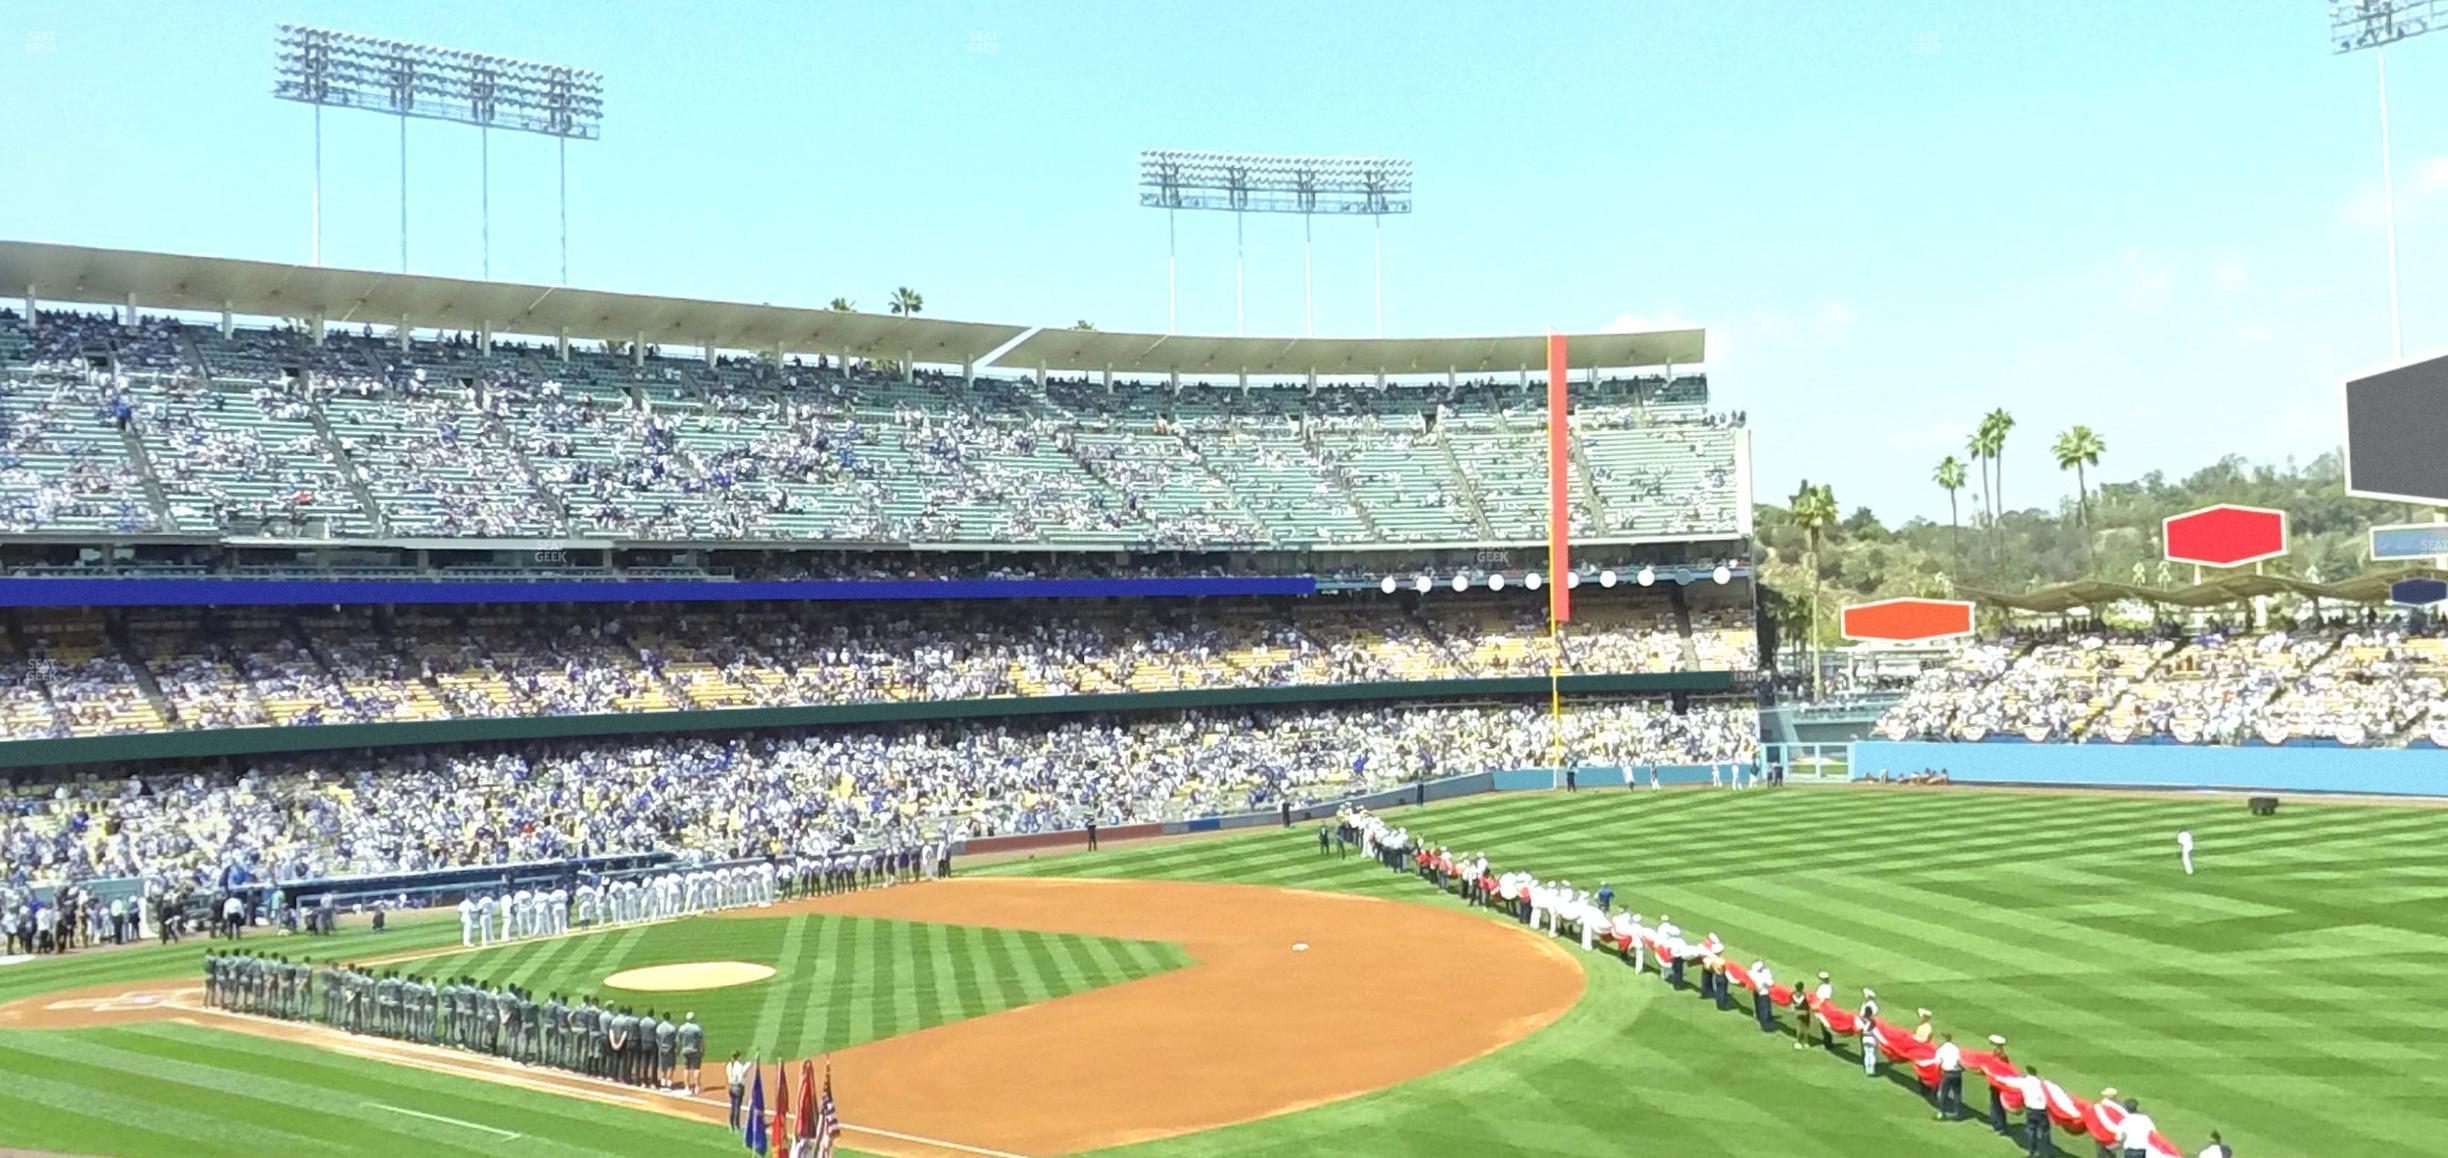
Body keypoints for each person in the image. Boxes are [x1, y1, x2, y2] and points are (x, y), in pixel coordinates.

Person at [2020, 1066, 2055, 1158]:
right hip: (2041, 1112)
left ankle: (2032, 1152)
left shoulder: (2024, 1082)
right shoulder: (2041, 1084)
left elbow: (2010, 1082)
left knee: (2031, 1132)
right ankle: (2048, 1155)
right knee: (2045, 1134)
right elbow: (2047, 1097)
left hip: (2030, 1111)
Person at [1933, 1032, 1964, 1119]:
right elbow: (1959, 1061)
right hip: (1957, 1073)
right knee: (1957, 1093)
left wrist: (1938, 1075)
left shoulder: (1941, 1050)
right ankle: (1957, 1113)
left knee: (1942, 1093)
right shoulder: (1956, 1049)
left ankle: (1942, 1112)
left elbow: (1937, 1063)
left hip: (1947, 1073)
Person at [679, 1012, 706, 1093]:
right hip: (695, 1050)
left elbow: (679, 1040)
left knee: (686, 1068)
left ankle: (687, 1087)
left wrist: (680, 1048)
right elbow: (701, 1041)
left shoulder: (682, 1028)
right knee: (697, 1068)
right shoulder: (697, 1028)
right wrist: (703, 1050)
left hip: (685, 1050)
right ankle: (697, 1086)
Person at [1858, 988, 1881, 1076]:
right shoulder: (1872, 1021)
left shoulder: (1871, 1005)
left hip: (1866, 1036)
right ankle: (1870, 1069)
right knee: (1871, 1053)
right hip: (1871, 1037)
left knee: (1869, 1053)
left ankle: (1868, 1069)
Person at [1749, 961, 1776, 1033]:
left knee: (1758, 1005)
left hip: (1756, 991)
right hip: (1763, 994)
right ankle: (1765, 1026)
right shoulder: (1764, 975)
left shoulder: (1752, 973)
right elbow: (1771, 983)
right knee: (1764, 1009)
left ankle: (1759, 1017)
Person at [726, 1051, 751, 1128]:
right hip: (738, 1087)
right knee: (737, 1106)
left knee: (732, 1106)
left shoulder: (729, 1065)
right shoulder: (740, 1066)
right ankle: (736, 1124)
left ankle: (731, 1123)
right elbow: (743, 1073)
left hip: (731, 1087)